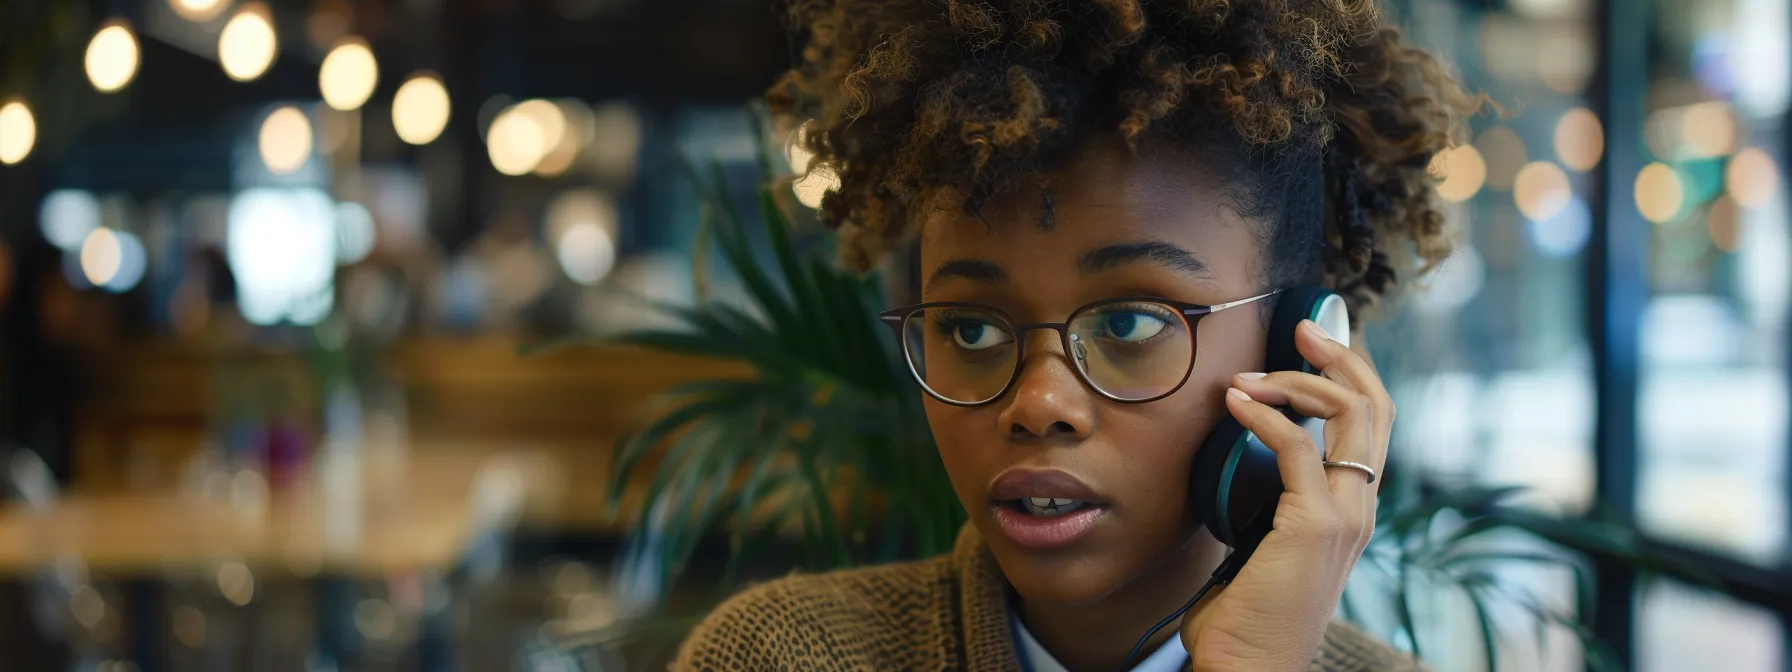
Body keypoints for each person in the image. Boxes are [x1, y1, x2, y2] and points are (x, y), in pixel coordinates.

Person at [675, 0, 1477, 670]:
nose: (1040, 403)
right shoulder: (782, 655)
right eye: (969, 328)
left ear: (1300, 350)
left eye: (1130, 323)